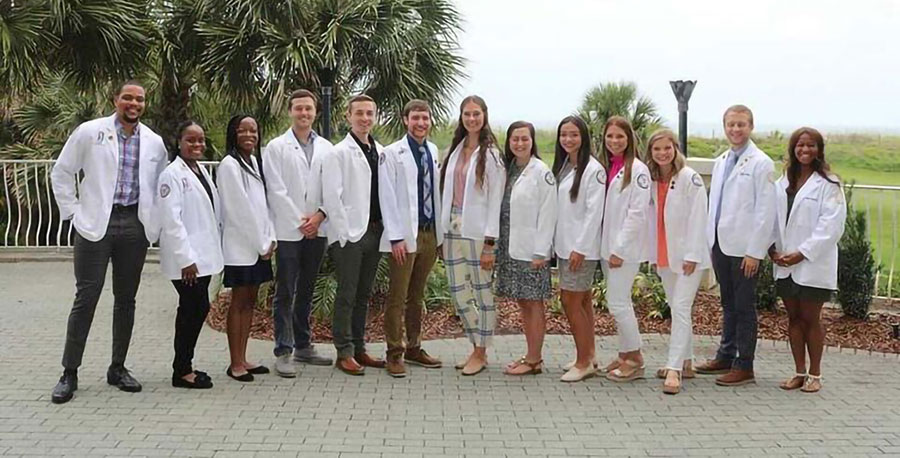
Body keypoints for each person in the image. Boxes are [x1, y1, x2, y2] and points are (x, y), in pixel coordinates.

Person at [50, 80, 167, 404]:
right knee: (86, 297)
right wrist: (73, 212)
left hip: (134, 225)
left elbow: (161, 185)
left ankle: (117, 368)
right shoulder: (90, 132)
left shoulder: (155, 143)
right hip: (94, 225)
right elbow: (62, 172)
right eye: (127, 97)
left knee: (126, 299)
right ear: (115, 99)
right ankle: (69, 371)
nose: (133, 103)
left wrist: (154, 223)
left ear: (145, 103)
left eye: (139, 99)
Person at [698, 105, 776, 386]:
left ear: (751, 126)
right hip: (721, 245)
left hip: (745, 251)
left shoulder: (761, 163)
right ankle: (726, 354)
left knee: (744, 306)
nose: (735, 129)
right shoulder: (722, 160)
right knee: (728, 303)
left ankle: (745, 365)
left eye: (741, 124)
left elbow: (766, 212)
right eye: (731, 124)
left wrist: (755, 251)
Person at [263, 89, 334, 378]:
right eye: (298, 109)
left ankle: (303, 345)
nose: (303, 113)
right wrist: (301, 221)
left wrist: (318, 217)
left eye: (308, 109)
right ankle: (283, 349)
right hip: (290, 231)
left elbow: (333, 188)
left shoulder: (328, 148)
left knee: (306, 287)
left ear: (315, 112)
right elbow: (275, 190)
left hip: (318, 229)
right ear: (290, 111)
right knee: (285, 290)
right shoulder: (276, 147)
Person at [771, 127, 846, 393]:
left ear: (819, 149)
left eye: (811, 145)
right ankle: (798, 372)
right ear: (793, 149)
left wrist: (801, 253)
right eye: (800, 145)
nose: (805, 150)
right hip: (784, 263)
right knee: (793, 319)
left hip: (813, 263)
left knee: (811, 319)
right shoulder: (783, 182)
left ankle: (815, 374)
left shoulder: (829, 184)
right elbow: (773, 219)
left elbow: (831, 227)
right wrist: (772, 250)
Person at [317, 94, 386, 375]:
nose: (365, 118)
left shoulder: (379, 150)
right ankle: (343, 351)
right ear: (348, 116)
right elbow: (332, 197)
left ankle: (359, 348)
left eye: (369, 113)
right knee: (347, 294)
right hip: (350, 236)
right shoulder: (338, 153)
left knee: (363, 294)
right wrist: (345, 234)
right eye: (359, 113)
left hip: (375, 231)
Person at [439, 95, 505, 376]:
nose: (472, 119)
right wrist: (441, 235)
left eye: (476, 114)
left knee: (482, 292)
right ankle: (476, 342)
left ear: (484, 116)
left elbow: (495, 200)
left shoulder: (491, 154)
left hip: (478, 233)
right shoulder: (455, 150)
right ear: (461, 117)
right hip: (452, 230)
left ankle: (481, 351)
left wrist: (490, 243)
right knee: (458, 292)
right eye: (467, 114)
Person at [378, 100, 444, 378]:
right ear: (405, 120)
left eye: (425, 118)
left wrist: (440, 237)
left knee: (417, 296)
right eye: (415, 118)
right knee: (398, 296)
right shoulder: (392, 153)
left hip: (430, 233)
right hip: (405, 235)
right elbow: (387, 196)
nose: (421, 123)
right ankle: (395, 352)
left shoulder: (432, 150)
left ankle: (415, 346)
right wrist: (395, 238)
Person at [645, 129, 711, 395]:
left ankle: (673, 369)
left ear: (676, 148)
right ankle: (687, 361)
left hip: (687, 257)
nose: (662, 153)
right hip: (664, 254)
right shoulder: (652, 179)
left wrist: (693, 255)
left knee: (681, 307)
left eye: (667, 148)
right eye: (657, 149)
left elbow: (699, 217)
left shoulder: (689, 178)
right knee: (676, 306)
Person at [157, 121, 222, 389]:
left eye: (201, 140)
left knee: (195, 308)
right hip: (187, 261)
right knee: (193, 309)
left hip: (202, 257)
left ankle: (184, 366)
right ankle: (182, 370)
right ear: (179, 143)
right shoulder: (171, 175)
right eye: (191, 140)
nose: (197, 145)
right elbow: (172, 221)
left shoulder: (200, 171)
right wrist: (186, 260)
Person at [217, 114, 276, 382]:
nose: (250, 135)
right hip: (243, 247)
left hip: (259, 246)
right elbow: (239, 210)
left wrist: (270, 238)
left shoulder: (254, 161)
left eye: (254, 130)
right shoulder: (229, 165)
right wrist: (261, 243)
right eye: (243, 130)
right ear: (234, 133)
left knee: (250, 303)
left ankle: (244, 356)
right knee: (239, 303)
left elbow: (263, 205)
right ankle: (235, 362)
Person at [495, 121, 557, 376]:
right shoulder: (509, 170)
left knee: (533, 303)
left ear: (533, 142)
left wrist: (541, 252)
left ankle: (534, 360)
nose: (519, 143)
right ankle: (531, 354)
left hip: (532, 252)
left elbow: (549, 213)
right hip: (511, 247)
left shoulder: (541, 172)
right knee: (524, 301)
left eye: (524, 139)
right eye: (515, 139)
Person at [552, 116, 606, 382]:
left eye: (573, 134)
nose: (568, 139)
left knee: (570, 300)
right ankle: (588, 354)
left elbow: (594, 213)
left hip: (580, 248)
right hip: (565, 245)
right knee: (582, 300)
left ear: (583, 136)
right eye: (564, 134)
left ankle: (584, 362)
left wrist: (581, 248)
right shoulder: (565, 166)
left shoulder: (593, 170)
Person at [598, 116, 651, 382]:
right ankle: (623, 353)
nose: (614, 141)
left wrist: (619, 249)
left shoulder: (638, 170)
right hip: (608, 249)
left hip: (623, 251)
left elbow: (637, 213)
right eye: (610, 136)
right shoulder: (611, 166)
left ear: (629, 138)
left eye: (619, 136)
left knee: (618, 304)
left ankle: (635, 359)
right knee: (617, 302)